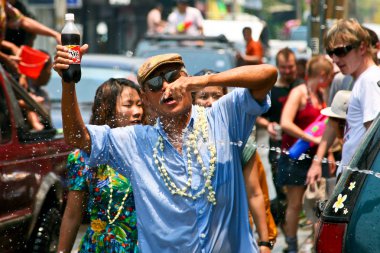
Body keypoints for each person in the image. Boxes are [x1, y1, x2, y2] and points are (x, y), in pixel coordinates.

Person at [54, 42, 277, 252]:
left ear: (187, 80)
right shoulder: (136, 142)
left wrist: (205, 81)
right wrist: (68, 82)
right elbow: (76, 137)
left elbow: (268, 75)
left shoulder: (223, 117)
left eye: (172, 77)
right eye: (154, 85)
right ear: (146, 99)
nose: (166, 87)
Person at [192, 69, 277, 252]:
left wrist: (264, 242)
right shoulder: (183, 139)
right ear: (192, 101)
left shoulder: (237, 140)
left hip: (232, 234)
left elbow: (255, 193)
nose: (211, 102)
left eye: (217, 96)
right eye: (203, 96)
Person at [57, 78, 143, 253]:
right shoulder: (83, 157)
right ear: (107, 109)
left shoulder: (147, 150)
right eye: (128, 105)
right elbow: (73, 215)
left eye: (140, 104)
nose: (137, 112)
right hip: (97, 247)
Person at [307, 19, 380, 185]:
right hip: (355, 177)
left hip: (360, 181)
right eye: (330, 52)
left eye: (340, 51)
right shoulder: (362, 80)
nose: (334, 59)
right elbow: (334, 124)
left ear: (362, 47)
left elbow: (375, 139)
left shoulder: (369, 80)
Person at [278, 55, 334, 253]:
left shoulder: (322, 94)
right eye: (330, 76)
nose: (332, 80)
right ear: (322, 75)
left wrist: (329, 154)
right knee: (295, 205)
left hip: (318, 158)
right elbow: (285, 122)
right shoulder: (298, 92)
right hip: (295, 156)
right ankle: (292, 246)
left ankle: (316, 245)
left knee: (319, 204)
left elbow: (327, 128)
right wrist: (311, 139)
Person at [255, 47, 303, 226]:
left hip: (303, 147)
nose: (287, 71)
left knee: (301, 196)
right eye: (283, 67)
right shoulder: (271, 90)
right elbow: (256, 115)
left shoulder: (301, 86)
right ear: (277, 67)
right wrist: (267, 125)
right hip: (278, 147)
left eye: (290, 66)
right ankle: (285, 230)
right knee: (282, 192)